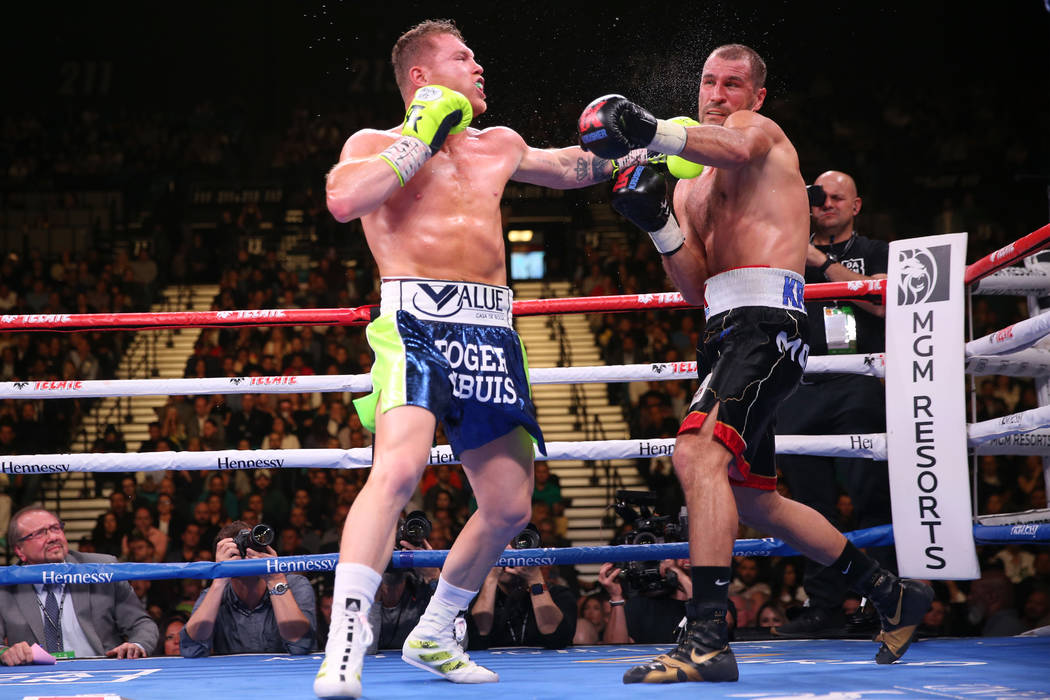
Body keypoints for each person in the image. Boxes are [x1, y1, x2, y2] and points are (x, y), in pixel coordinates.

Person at [578, 43, 933, 684]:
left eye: (733, 84)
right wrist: (658, 224)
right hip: (722, 329)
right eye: (709, 82)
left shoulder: (759, 136)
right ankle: (893, 594)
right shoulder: (689, 184)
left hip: (769, 322)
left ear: (756, 96)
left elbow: (733, 147)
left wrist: (650, 131)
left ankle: (708, 638)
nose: (717, 94)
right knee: (755, 500)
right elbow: (693, 286)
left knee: (698, 454)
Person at [314, 18, 639, 699]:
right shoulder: (375, 145)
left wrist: (647, 147)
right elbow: (344, 200)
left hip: (491, 330)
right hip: (416, 321)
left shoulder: (500, 145)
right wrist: (420, 133)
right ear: (422, 79)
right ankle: (347, 641)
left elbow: (572, 166)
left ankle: (434, 632)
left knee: (509, 506)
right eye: (464, 58)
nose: (479, 65)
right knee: (399, 469)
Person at [773, 170, 894, 637]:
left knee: (871, 496)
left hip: (857, 382)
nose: (826, 205)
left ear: (856, 205)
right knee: (809, 504)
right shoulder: (785, 251)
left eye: (836, 198)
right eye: (818, 199)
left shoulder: (876, 252)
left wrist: (818, 260)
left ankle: (884, 602)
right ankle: (823, 607)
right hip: (799, 386)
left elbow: (883, 303)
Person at [0, 506, 159, 665]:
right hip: (36, 681)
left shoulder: (102, 568)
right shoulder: (5, 585)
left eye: (56, 528)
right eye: (40, 533)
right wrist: (5, 652)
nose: (53, 537)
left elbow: (142, 624)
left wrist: (136, 645)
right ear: (19, 550)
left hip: (102, 673)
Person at [180, 520, 317, 656]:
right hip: (234, 676)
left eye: (251, 545)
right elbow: (192, 649)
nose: (247, 553)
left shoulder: (295, 585)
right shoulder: (214, 594)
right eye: (237, 549)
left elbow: (300, 645)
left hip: (288, 675)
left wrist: (275, 579)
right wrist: (220, 577)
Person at [466, 561, 576, 649]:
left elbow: (556, 639)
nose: (510, 561)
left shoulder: (559, 595)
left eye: (516, 554)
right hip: (491, 672)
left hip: (548, 671)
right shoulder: (474, 598)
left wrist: (535, 578)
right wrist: (491, 576)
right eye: (503, 554)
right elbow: (479, 636)